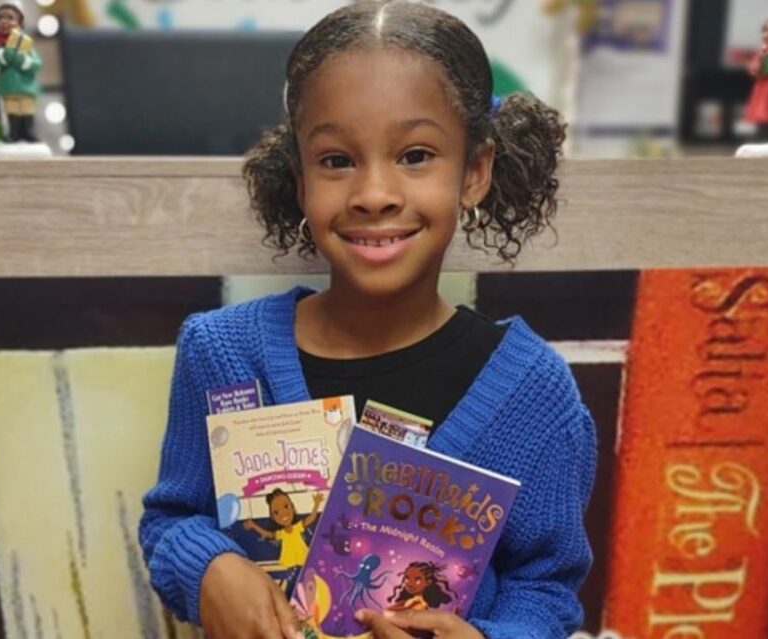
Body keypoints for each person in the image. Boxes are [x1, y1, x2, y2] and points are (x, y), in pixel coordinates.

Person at [138, 2, 596, 638]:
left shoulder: (534, 394)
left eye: (415, 155)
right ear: (298, 179)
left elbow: (545, 587)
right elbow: (170, 520)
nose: (374, 192)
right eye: (336, 160)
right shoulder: (221, 352)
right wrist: (208, 567)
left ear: (475, 171)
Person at [0, 2, 41, 143]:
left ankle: (28, 133)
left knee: (27, 108)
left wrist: (22, 60)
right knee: (12, 109)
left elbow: (36, 64)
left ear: (19, 22)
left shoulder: (26, 43)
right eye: (1, 17)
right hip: (8, 84)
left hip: (25, 85)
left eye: (10, 18)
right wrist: (5, 54)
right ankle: (13, 134)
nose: (4, 21)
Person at [242, 489, 325, 569]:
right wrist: (253, 525)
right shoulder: (281, 533)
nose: (283, 513)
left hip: (302, 558)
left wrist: (316, 504)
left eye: (286, 507)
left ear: (292, 507)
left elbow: (311, 518)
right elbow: (267, 534)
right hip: (289, 561)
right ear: (273, 517)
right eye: (276, 512)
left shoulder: (297, 527)